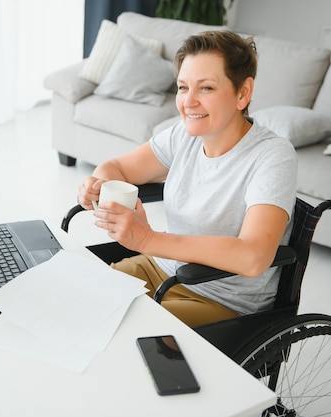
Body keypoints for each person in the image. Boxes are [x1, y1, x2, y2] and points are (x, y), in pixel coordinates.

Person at [77, 31, 298, 328]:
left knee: (117, 328)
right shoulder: (184, 135)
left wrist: (148, 239)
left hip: (220, 298)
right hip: (159, 268)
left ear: (243, 93)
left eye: (206, 88)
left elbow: (254, 257)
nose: (188, 102)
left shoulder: (272, 156)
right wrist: (99, 186)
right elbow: (116, 167)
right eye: (183, 87)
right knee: (81, 298)